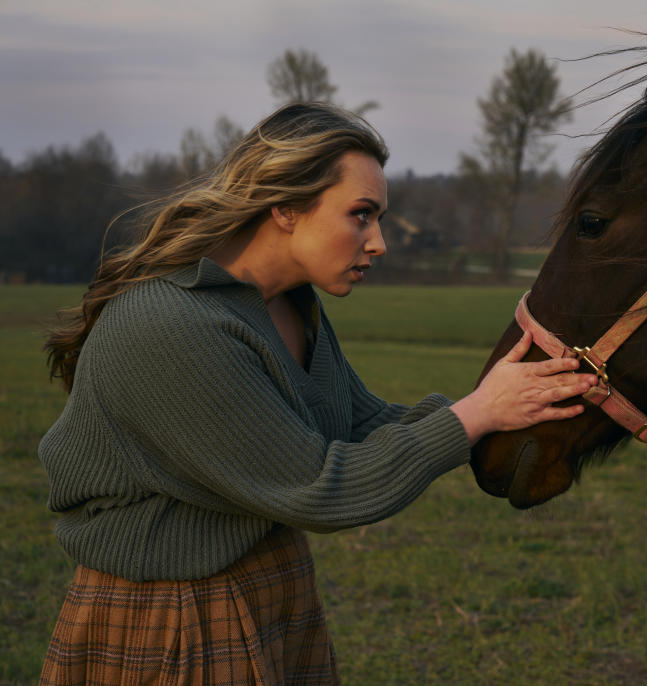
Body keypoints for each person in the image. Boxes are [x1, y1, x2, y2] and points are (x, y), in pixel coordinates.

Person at [36, 102, 596, 685]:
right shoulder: (171, 327)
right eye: (360, 215)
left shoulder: (289, 306)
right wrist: (476, 415)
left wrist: (507, 410)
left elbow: (361, 424)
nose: (378, 242)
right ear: (285, 207)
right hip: (174, 618)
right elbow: (320, 489)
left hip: (273, 587)